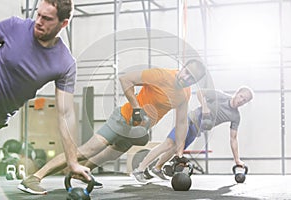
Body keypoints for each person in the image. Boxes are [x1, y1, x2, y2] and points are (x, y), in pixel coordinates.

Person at [18, 58, 207, 194]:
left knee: (105, 156)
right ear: (182, 67)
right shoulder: (160, 75)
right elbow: (125, 79)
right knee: (87, 150)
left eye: (191, 79)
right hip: (123, 119)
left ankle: (81, 175)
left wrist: (179, 152)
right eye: (186, 73)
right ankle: (34, 178)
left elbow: (181, 122)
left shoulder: (185, 94)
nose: (186, 78)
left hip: (137, 131)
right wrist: (136, 107)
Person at [0, 0, 91, 193]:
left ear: (63, 23)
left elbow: (66, 114)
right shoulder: (15, 26)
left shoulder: (65, 63)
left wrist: (72, 162)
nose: (38, 21)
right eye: (38, 15)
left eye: (46, 18)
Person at [132, 86, 254, 183]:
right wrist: (205, 107)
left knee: (175, 149)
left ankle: (157, 168)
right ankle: (140, 169)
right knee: (168, 144)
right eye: (241, 96)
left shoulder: (235, 116)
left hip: (196, 131)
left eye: (244, 100)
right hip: (189, 120)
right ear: (237, 93)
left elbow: (233, 139)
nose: (241, 101)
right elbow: (200, 93)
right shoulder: (220, 95)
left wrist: (237, 160)